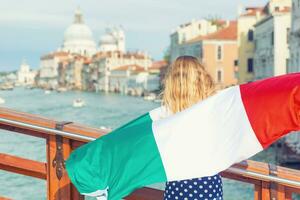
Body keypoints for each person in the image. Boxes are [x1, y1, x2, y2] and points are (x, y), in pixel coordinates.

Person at [162, 56, 223, 200]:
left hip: (176, 186)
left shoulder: (165, 117)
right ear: (201, 80)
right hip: (208, 186)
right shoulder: (212, 112)